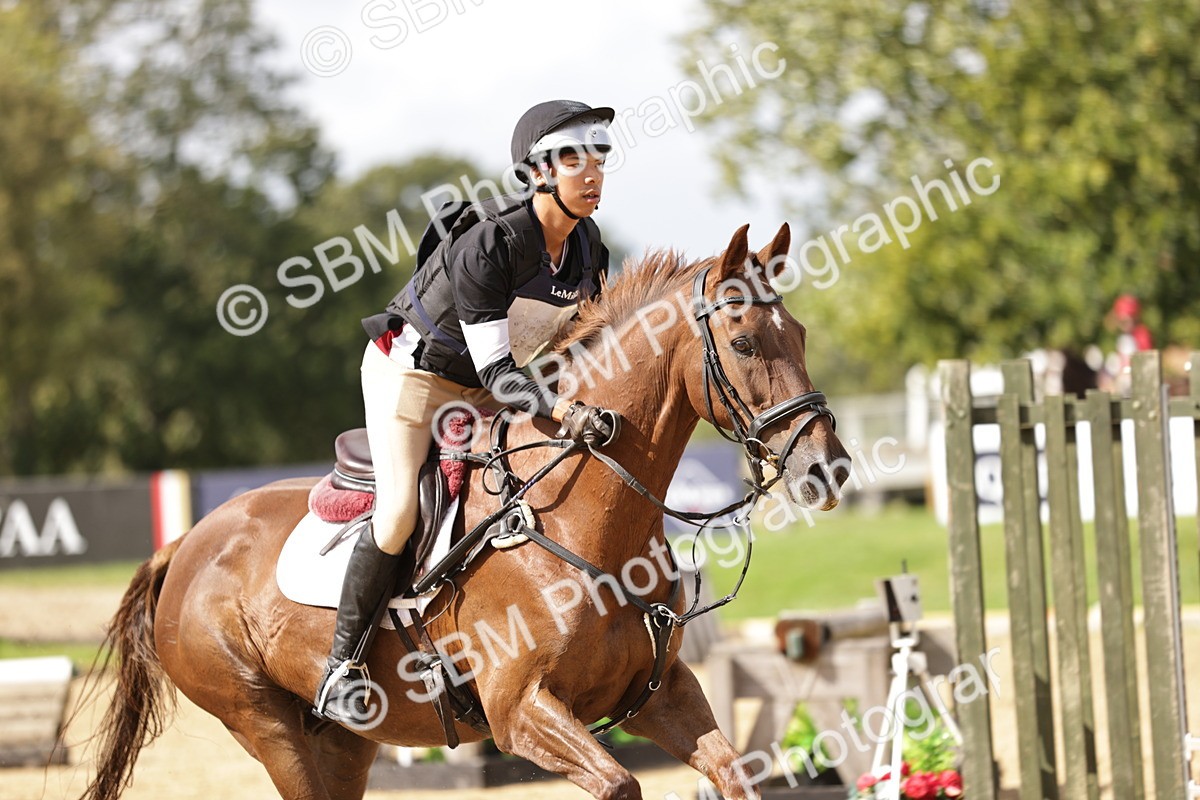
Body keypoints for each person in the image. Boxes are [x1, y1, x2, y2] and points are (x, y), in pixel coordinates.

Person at [313, 100, 621, 724]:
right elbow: (504, 374)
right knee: (401, 512)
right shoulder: (491, 243)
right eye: (572, 157)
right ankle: (341, 666)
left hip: (485, 387)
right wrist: (562, 408)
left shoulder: (589, 246)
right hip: (413, 378)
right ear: (537, 172)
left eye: (598, 155)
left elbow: (578, 355)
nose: (590, 170)